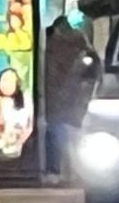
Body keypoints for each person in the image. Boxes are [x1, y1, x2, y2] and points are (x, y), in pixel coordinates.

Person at [41, 17, 97, 178]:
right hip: (73, 99)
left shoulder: (51, 44)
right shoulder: (82, 48)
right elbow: (91, 71)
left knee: (57, 132)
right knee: (71, 135)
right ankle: (71, 171)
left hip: (56, 97)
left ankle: (56, 169)